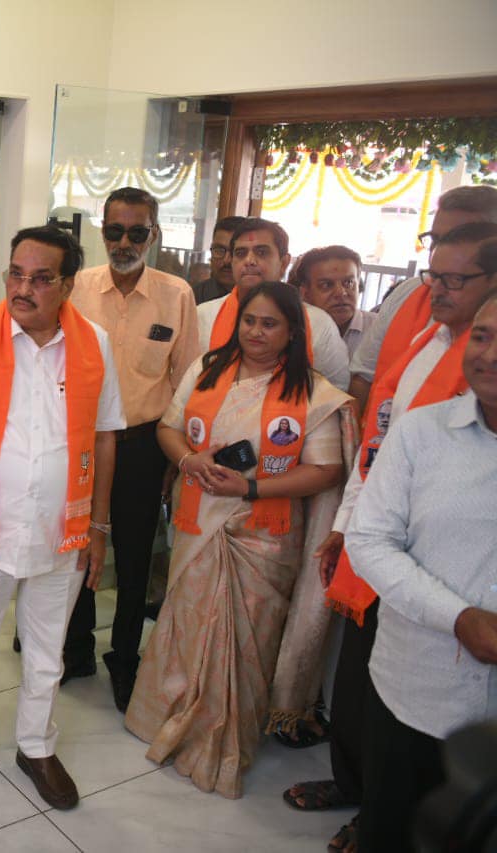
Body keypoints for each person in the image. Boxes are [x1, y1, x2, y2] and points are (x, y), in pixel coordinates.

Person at [289, 223, 497, 850]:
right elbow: (380, 441)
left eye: (455, 279)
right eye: (434, 275)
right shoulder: (427, 344)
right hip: (393, 565)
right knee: (368, 697)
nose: (437, 290)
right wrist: (348, 525)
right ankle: (365, 797)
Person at [0, 225, 125, 810]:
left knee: (46, 649)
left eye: (40, 278)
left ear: (67, 286)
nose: (23, 288)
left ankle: (36, 746)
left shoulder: (95, 344)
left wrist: (99, 530)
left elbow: (104, 439)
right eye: (16, 274)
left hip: (63, 530)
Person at [126, 282, 353, 799]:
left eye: (270, 324)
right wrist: (190, 460)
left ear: (292, 332)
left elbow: (326, 470)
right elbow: (168, 428)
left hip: (263, 536)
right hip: (199, 519)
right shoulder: (207, 369)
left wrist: (250, 488)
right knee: (188, 623)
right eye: (249, 320)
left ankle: (223, 737)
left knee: (248, 639)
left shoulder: (311, 391)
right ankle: (167, 715)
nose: (256, 332)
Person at [343, 289, 497, 853]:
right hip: (416, 689)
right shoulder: (421, 433)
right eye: (482, 336)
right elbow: (369, 540)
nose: (489, 355)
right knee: (394, 832)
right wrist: (459, 617)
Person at [63, 186, 201, 712]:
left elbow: (187, 383)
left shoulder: (176, 295)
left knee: (137, 554)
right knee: (76, 545)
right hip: (81, 443)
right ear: (103, 231)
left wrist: (173, 458)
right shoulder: (76, 288)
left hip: (143, 444)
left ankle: (124, 657)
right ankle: (76, 648)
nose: (125, 243)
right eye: (115, 231)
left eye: (137, 232)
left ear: (154, 233)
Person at [348, 185, 497, 416]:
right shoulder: (413, 302)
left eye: (456, 238)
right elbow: (364, 375)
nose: (438, 250)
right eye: (435, 239)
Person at [197, 217, 351, 392]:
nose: (249, 260)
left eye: (261, 252)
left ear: (284, 263)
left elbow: (335, 391)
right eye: (240, 253)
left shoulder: (318, 323)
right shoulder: (204, 315)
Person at [292, 245, 373, 359]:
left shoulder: (380, 329)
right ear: (305, 293)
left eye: (349, 283)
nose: (341, 293)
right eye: (326, 285)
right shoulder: (292, 332)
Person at [191, 215, 246, 304]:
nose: (227, 260)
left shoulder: (261, 300)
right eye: (219, 250)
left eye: (235, 251)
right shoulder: (193, 297)